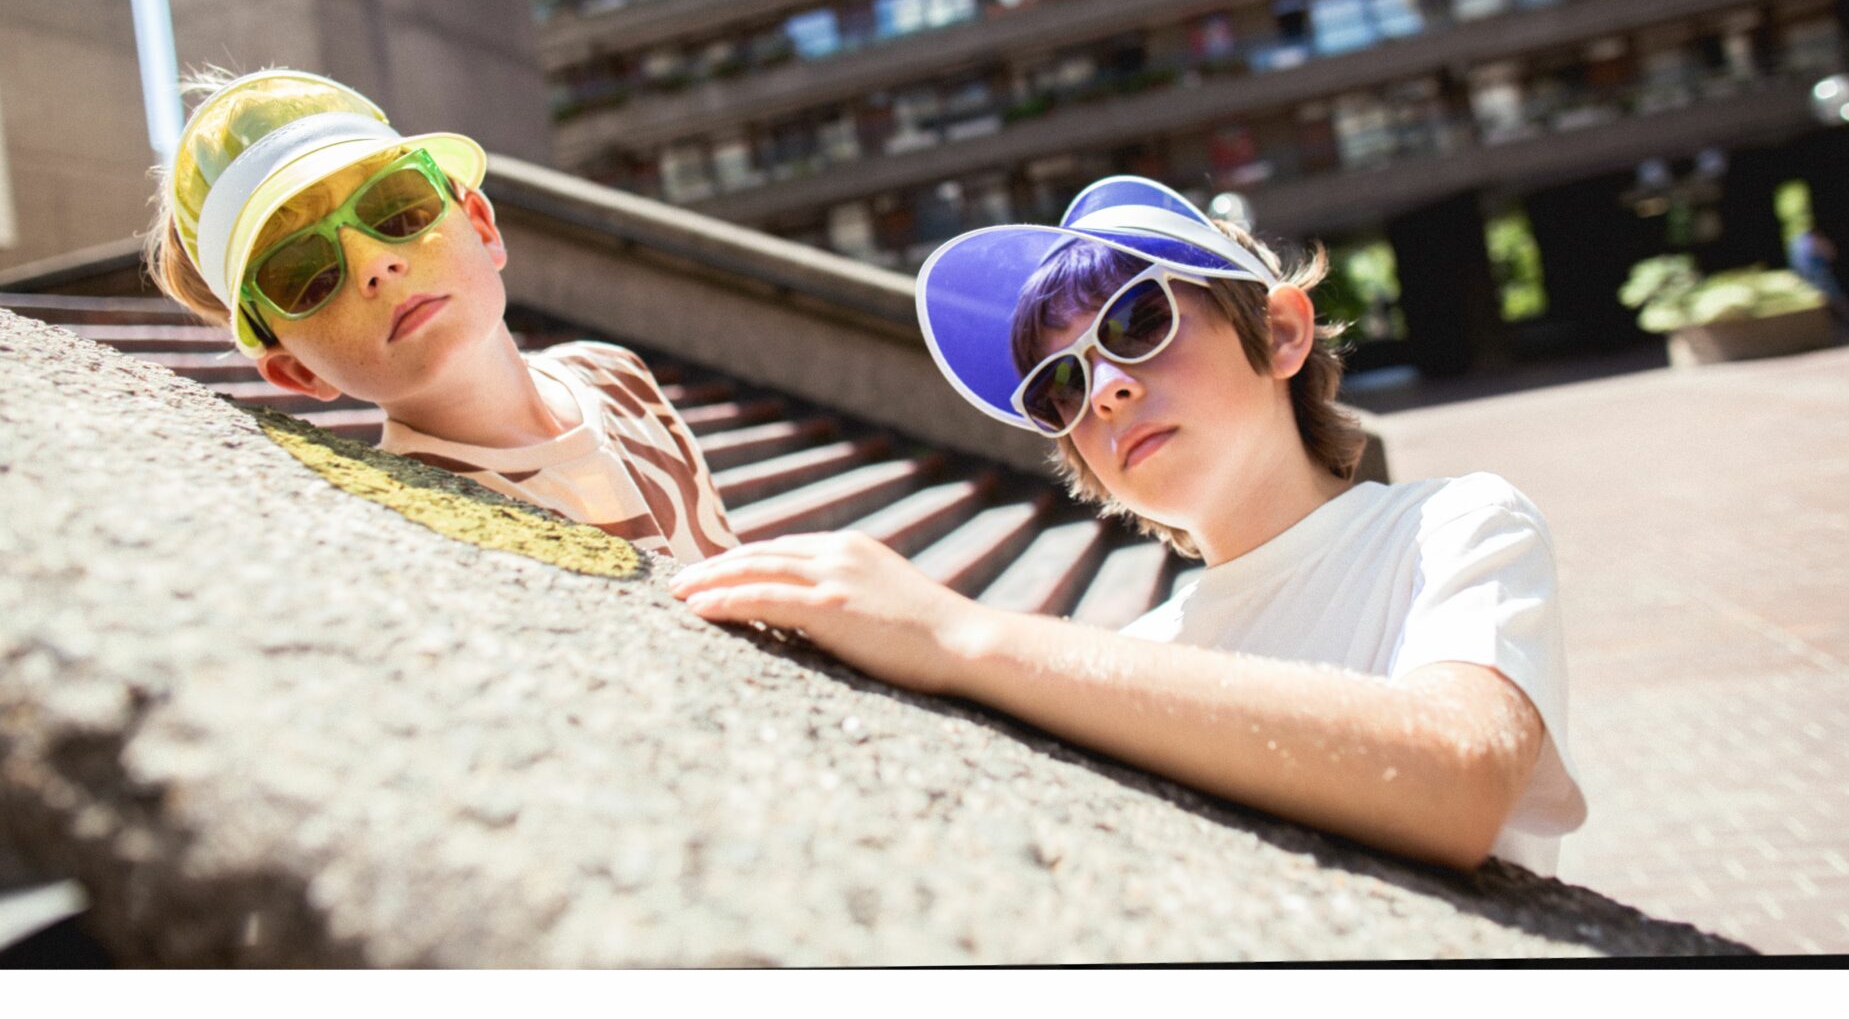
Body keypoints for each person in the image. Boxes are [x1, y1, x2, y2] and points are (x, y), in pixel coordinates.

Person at [674, 176, 1586, 874]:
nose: (1104, 384)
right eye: (1058, 384)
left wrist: (959, 634)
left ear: (1279, 334)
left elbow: (1458, 776)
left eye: (1141, 318)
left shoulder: (1448, 526)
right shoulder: (1143, 652)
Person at [144, 67, 737, 562]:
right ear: (299, 372)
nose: (373, 263)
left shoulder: (614, 372)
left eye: (395, 205)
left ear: (480, 225)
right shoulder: (415, 527)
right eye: (301, 273)